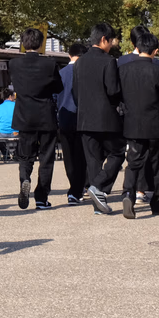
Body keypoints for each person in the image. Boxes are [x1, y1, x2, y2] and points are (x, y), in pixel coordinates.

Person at [118, 33, 159, 218]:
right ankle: (158, 204)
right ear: (155, 51)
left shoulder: (124, 70)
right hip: (155, 124)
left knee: (133, 162)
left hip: (133, 123)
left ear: (137, 47)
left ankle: (128, 194)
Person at [9, 28, 64, 210]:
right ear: (41, 44)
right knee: (46, 158)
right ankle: (41, 197)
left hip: (24, 115)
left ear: (23, 44)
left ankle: (25, 179)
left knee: (25, 156)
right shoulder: (49, 64)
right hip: (45, 114)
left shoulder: (14, 64)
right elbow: (58, 87)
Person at [74, 23, 124, 215]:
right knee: (117, 153)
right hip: (106, 118)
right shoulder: (109, 61)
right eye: (110, 41)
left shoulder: (79, 62)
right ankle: (98, 186)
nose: (111, 45)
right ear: (104, 39)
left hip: (85, 118)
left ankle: (98, 203)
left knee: (93, 159)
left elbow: (75, 93)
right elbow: (113, 91)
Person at [54, 41, 88, 205]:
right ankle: (81, 187)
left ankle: (74, 188)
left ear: (69, 55)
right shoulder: (85, 72)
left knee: (68, 156)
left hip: (64, 117)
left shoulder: (60, 73)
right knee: (82, 154)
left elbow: (54, 96)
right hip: (83, 117)